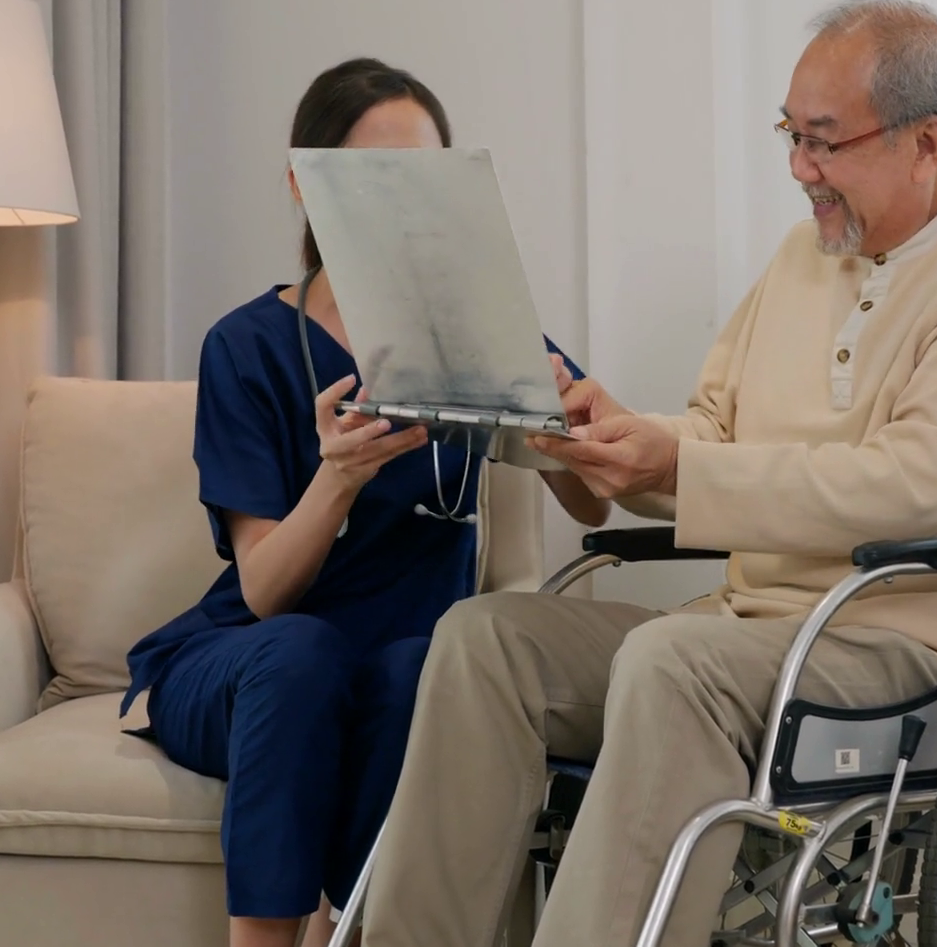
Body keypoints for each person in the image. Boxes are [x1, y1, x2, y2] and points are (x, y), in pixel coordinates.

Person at [357, 0, 937, 947]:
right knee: (486, 640)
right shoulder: (804, 255)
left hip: (907, 651)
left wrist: (683, 468)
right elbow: (709, 433)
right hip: (748, 635)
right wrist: (601, 435)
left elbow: (915, 484)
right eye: (790, 134)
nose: (799, 168)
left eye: (823, 141)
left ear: (927, 143)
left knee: (672, 660)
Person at [118, 57, 610, 947]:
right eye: (373, 174)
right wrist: (337, 477)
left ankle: (353, 930)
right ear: (305, 184)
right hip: (250, 663)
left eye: (425, 176)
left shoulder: (475, 331)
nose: (403, 200)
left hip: (396, 664)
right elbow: (266, 592)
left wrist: (554, 436)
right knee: (304, 655)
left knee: (421, 673)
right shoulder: (246, 345)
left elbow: (593, 509)